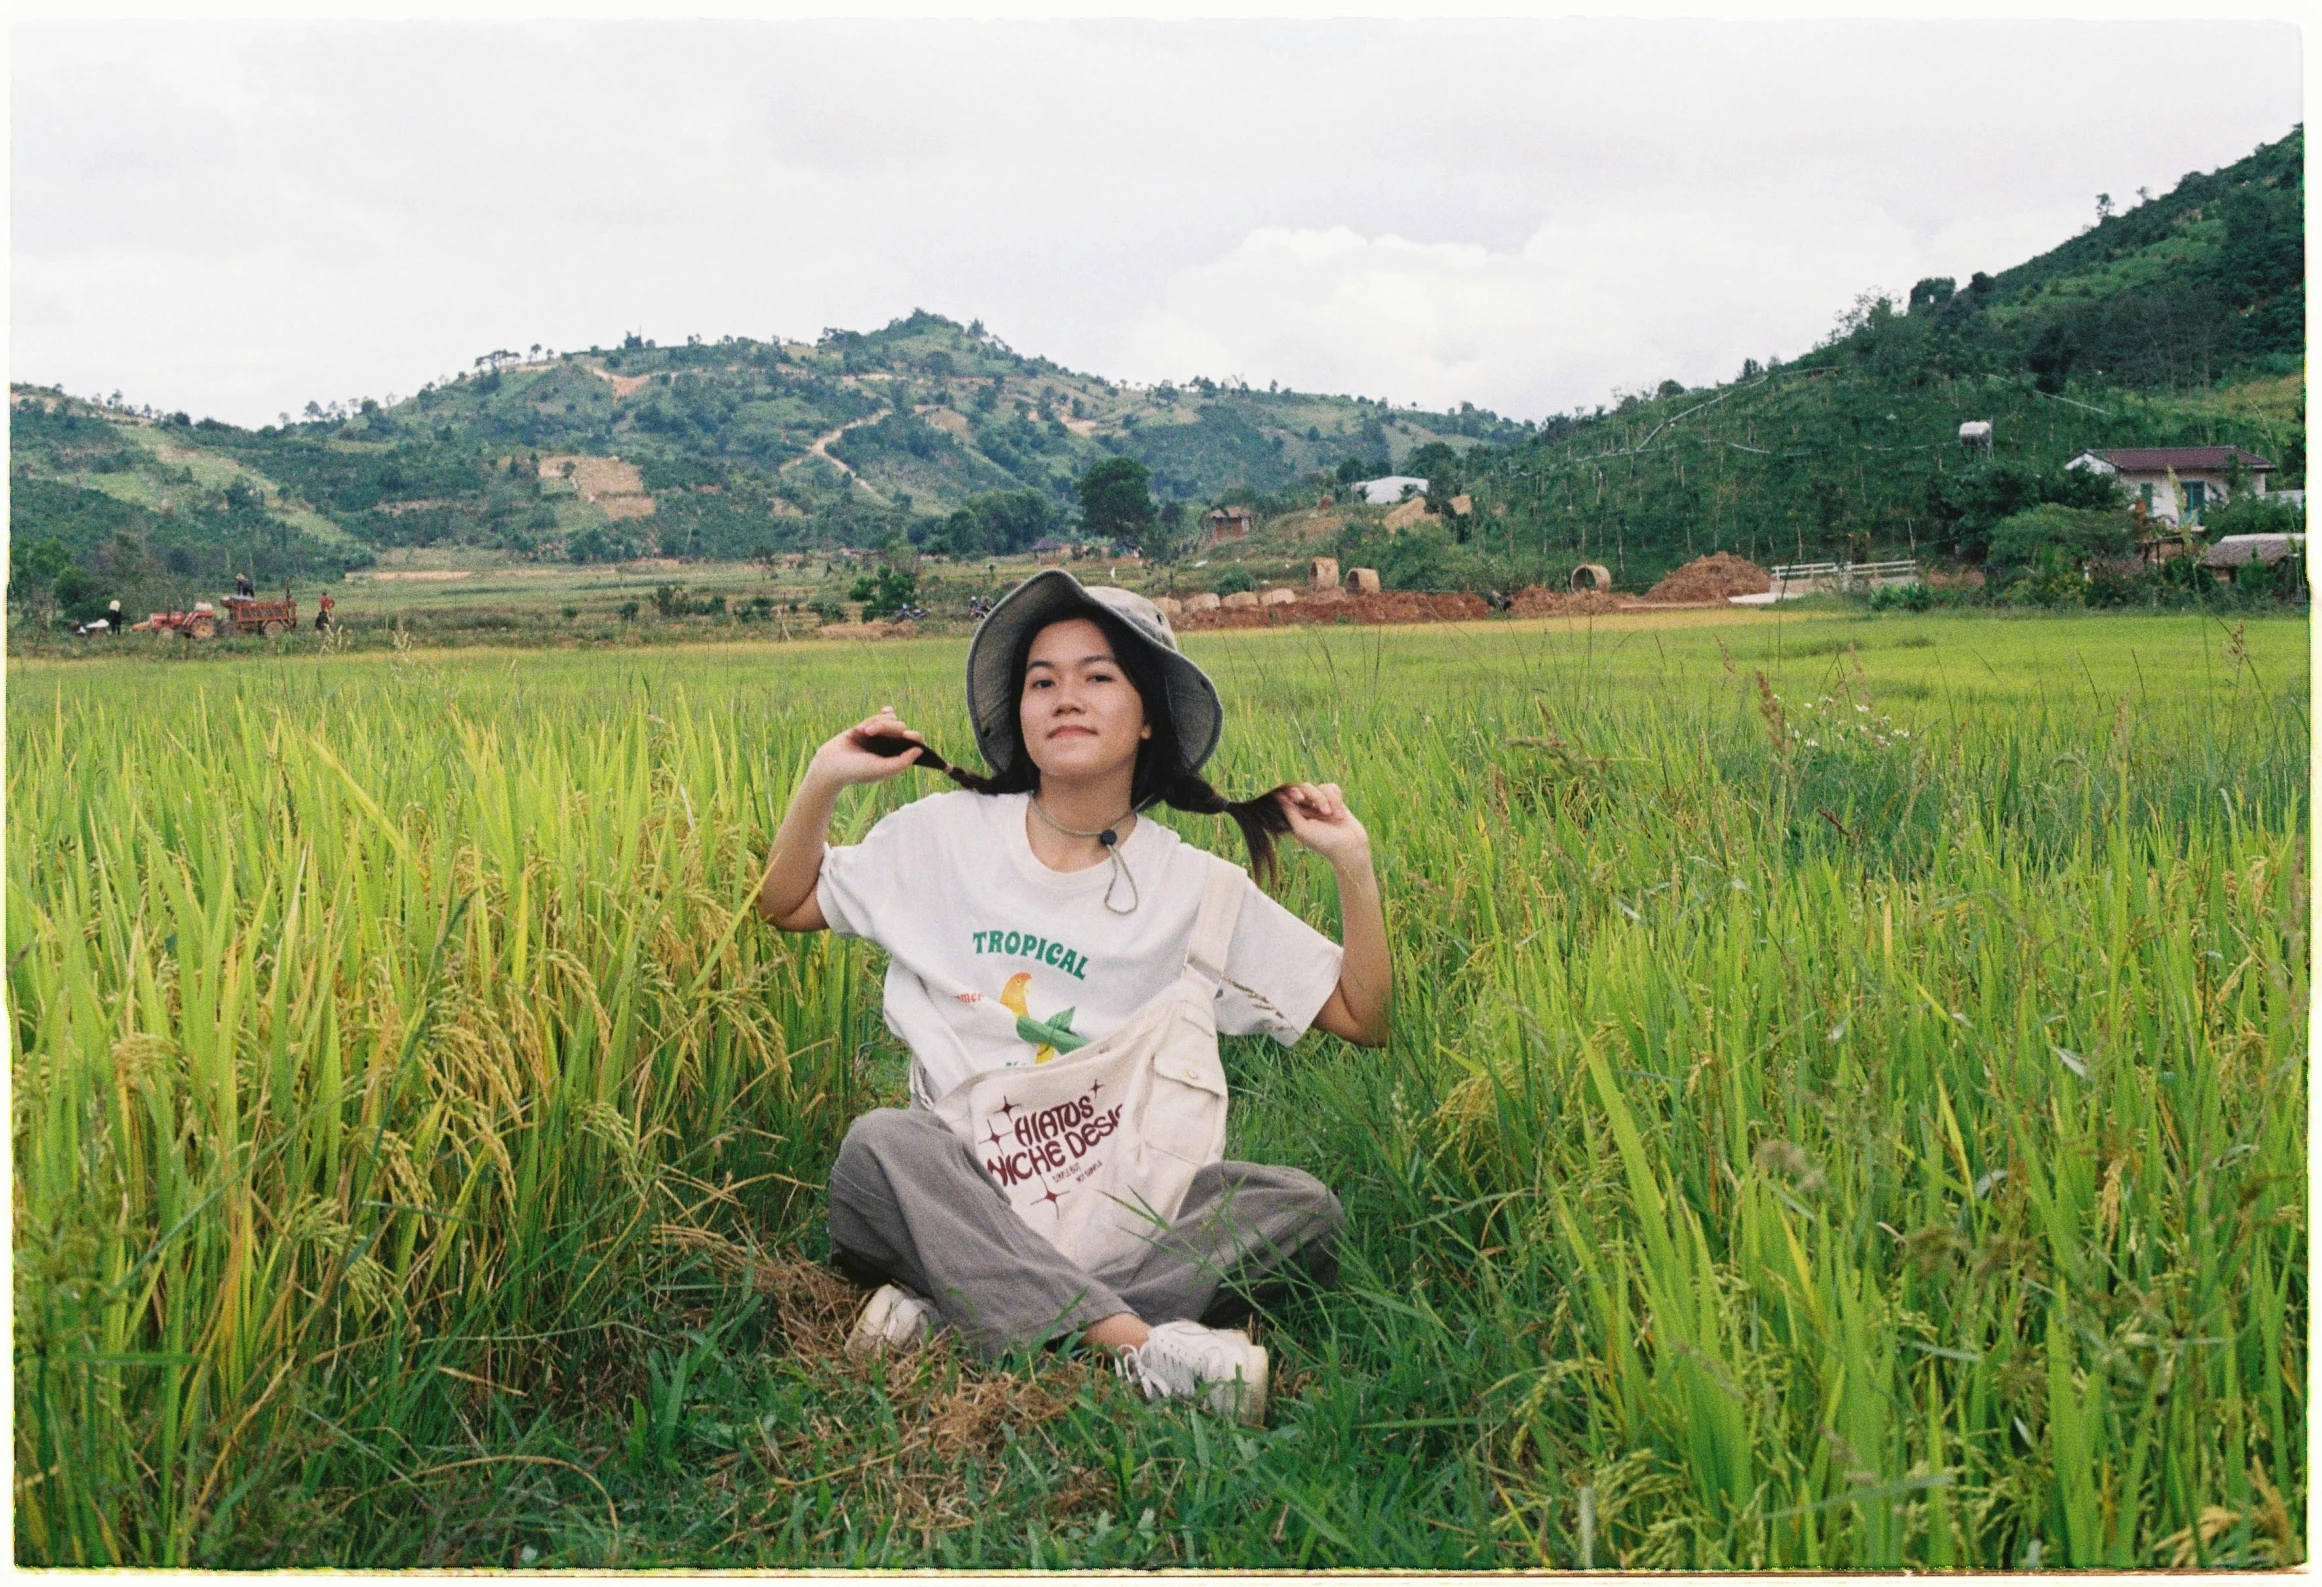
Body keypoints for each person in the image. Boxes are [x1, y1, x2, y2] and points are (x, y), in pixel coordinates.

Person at [755, 570, 1390, 1424]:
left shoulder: (1194, 886)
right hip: (958, 1183)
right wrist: (823, 779)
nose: (1067, 697)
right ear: (1019, 712)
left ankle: (949, 1311)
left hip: (1124, 1204)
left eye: (1098, 677)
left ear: (1149, 713)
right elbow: (785, 903)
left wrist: (1353, 862)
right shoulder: (942, 836)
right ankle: (1143, 1348)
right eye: (1042, 680)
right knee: (879, 1151)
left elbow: (1362, 1015)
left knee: (1300, 1207)